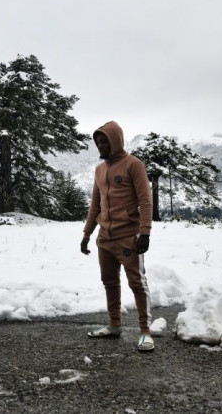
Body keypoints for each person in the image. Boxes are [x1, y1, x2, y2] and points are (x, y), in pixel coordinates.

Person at [80, 121, 154, 352]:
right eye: (98, 142)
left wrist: (145, 232)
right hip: (104, 238)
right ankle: (114, 325)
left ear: (116, 140)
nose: (100, 145)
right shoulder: (100, 170)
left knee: (137, 283)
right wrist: (86, 234)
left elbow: (145, 200)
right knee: (109, 282)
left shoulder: (134, 165)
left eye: (104, 141)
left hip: (128, 237)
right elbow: (95, 206)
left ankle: (145, 332)